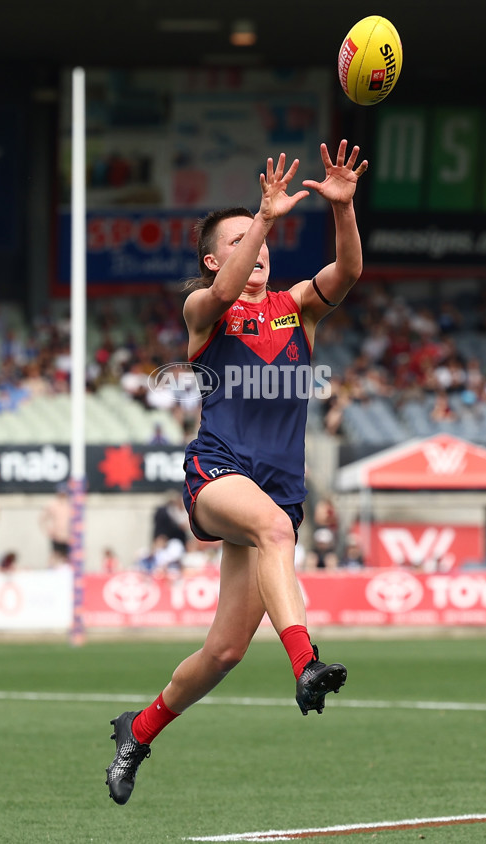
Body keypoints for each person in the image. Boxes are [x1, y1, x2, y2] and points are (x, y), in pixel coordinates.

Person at [106, 139, 368, 805]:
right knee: (276, 532)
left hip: (276, 491)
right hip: (218, 472)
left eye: (261, 240)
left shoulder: (297, 306)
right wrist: (268, 217)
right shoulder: (204, 308)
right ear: (213, 258)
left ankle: (136, 730)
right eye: (242, 237)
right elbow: (226, 290)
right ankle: (306, 664)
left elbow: (348, 272)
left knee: (224, 652)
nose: (258, 248)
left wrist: (341, 210)